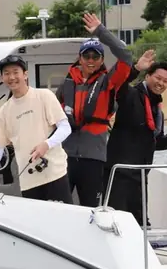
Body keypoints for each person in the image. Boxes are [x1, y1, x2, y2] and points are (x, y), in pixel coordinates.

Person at [104, 49, 167, 226]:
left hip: (140, 174)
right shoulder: (130, 95)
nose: (160, 83)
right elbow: (117, 85)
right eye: (157, 78)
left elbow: (155, 142)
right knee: (116, 222)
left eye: (165, 81)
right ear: (147, 76)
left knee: (140, 224)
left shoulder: (156, 108)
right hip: (119, 173)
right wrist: (136, 68)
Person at [55, 12, 134, 207]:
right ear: (79, 58)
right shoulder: (66, 84)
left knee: (91, 208)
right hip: (65, 156)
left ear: (101, 60)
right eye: (86, 55)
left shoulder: (109, 82)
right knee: (59, 206)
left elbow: (126, 56)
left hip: (93, 158)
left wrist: (101, 31)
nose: (91, 60)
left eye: (95, 56)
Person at [0, 54, 73, 203]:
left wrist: (46, 144)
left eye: (16, 72)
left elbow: (65, 127)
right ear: (2, 78)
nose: (12, 77)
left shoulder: (44, 96)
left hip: (55, 173)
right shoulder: (4, 111)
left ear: (25, 75)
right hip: (28, 181)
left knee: (63, 220)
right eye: (7, 74)